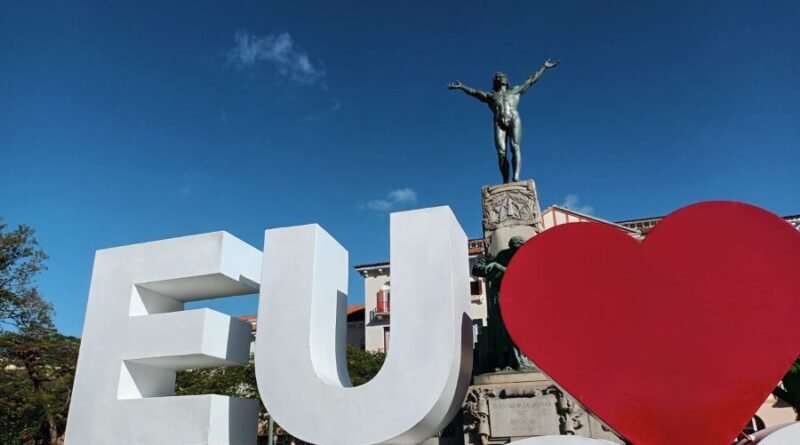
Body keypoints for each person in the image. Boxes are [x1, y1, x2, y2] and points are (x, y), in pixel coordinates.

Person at [448, 60, 559, 183]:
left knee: (515, 147)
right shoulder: (491, 96)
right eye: (498, 77)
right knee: (501, 152)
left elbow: (531, 80)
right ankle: (505, 180)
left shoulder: (515, 90)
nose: (501, 78)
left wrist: (544, 67)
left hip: (513, 117)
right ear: (495, 81)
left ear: (506, 79)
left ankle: (516, 176)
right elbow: (474, 93)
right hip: (498, 121)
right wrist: (462, 86)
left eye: (503, 76)